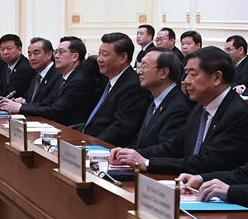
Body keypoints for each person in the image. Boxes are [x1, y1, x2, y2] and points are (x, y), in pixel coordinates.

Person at [110, 47, 248, 175]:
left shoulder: (238, 114)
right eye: (186, 74)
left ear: (217, 78)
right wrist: (129, 154)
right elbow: (173, 146)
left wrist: (147, 163)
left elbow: (209, 161)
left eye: (193, 75)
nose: (186, 81)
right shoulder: (199, 109)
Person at [0, 36, 95, 127]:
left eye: (61, 52)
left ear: (75, 56)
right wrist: (21, 105)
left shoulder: (78, 81)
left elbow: (56, 111)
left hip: (69, 131)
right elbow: (47, 102)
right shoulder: (64, 77)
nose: (56, 56)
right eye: (56, 52)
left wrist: (20, 108)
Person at [81, 32, 151, 147]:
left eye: (105, 55)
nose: (99, 59)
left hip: (107, 149)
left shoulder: (133, 87)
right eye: (99, 54)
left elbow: (121, 128)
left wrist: (90, 146)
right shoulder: (109, 80)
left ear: (123, 58)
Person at [130, 48, 192, 149]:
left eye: (145, 67)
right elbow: (140, 141)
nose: (139, 71)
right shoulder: (155, 101)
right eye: (140, 66)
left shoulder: (179, 107)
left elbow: (166, 149)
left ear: (164, 73)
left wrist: (134, 154)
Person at [0, 34, 35, 100]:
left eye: (9, 49)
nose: (5, 52)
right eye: (2, 49)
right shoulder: (6, 66)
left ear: (19, 50)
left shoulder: (24, 68)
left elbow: (9, 93)